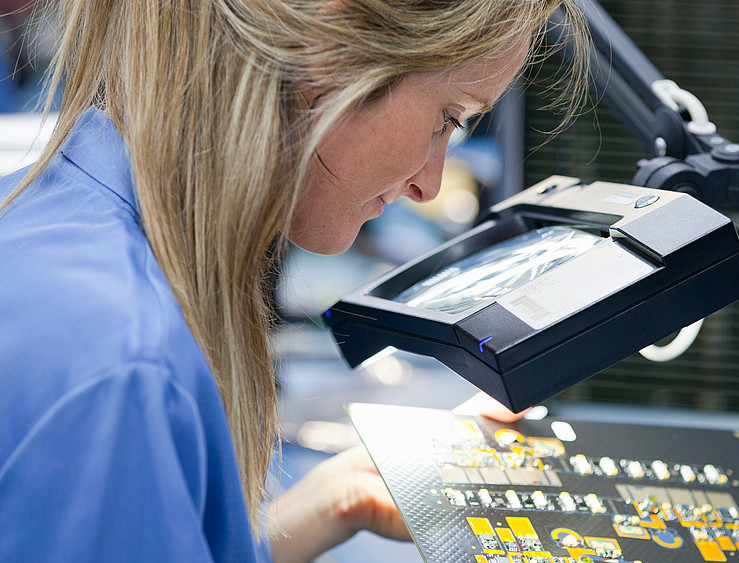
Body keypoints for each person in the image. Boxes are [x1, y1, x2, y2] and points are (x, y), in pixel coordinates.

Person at [0, 1, 589, 561]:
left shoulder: (50, 219)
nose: (429, 184)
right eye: (447, 119)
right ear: (333, 53)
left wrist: (333, 500)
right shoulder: (127, 373)